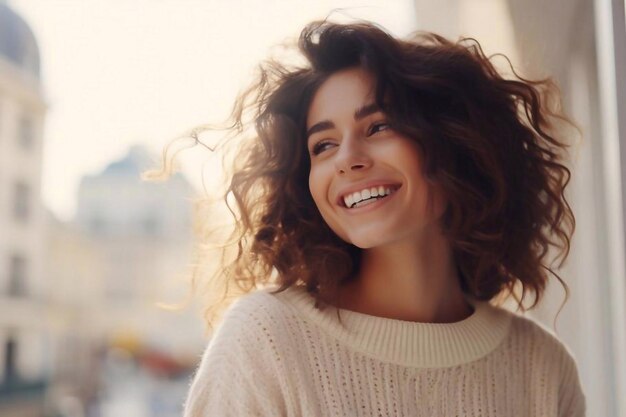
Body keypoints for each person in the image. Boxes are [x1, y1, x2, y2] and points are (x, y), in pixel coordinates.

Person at [178, 19, 586, 416]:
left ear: (457, 142)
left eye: (378, 127)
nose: (347, 160)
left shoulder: (544, 371)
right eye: (323, 145)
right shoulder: (265, 341)